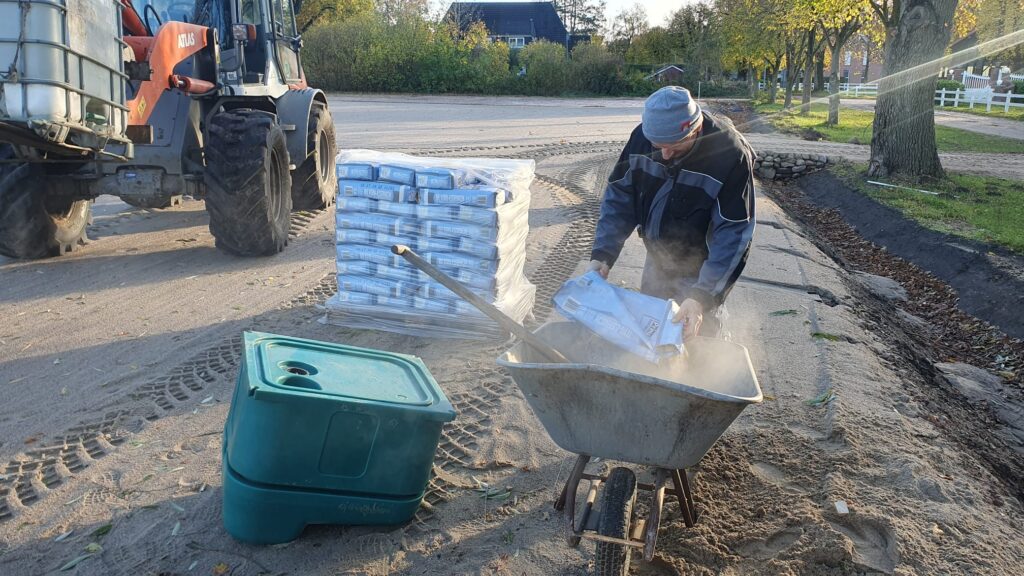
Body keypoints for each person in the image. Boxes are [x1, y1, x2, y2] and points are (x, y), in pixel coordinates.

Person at [588, 86, 755, 339]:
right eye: (658, 146)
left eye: (675, 147)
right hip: (658, 259)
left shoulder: (729, 155)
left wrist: (701, 297)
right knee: (651, 334)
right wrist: (604, 253)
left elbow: (734, 233)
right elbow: (620, 198)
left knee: (698, 339)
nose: (664, 155)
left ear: (695, 128)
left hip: (703, 268)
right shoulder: (641, 139)